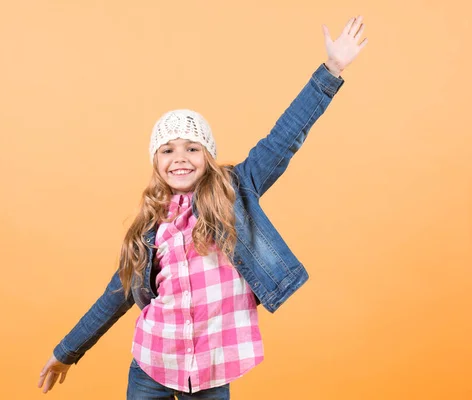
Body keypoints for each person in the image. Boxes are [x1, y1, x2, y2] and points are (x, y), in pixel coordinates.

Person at [38, 15, 368, 399]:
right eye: (168, 150)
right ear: (156, 162)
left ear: (208, 156)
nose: (180, 158)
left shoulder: (236, 191)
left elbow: (283, 139)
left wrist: (331, 70)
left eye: (192, 148)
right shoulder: (150, 229)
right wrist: (67, 352)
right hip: (153, 365)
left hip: (212, 369)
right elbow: (117, 295)